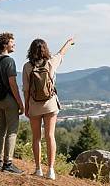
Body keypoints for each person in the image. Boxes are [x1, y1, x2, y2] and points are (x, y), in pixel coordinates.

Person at [22, 37, 74, 180]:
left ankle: (38, 169)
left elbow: (26, 90)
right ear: (45, 49)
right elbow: (61, 53)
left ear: (31, 51)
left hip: (34, 105)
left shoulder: (27, 67)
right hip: (50, 104)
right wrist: (69, 42)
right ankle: (51, 170)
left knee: (36, 138)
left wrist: (27, 107)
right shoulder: (51, 63)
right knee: (50, 136)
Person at [0, 32, 25, 174]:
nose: (14, 44)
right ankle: (8, 164)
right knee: (12, 131)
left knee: (0, 130)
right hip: (9, 100)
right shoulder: (9, 61)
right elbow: (13, 84)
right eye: (12, 42)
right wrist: (20, 103)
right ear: (5, 44)